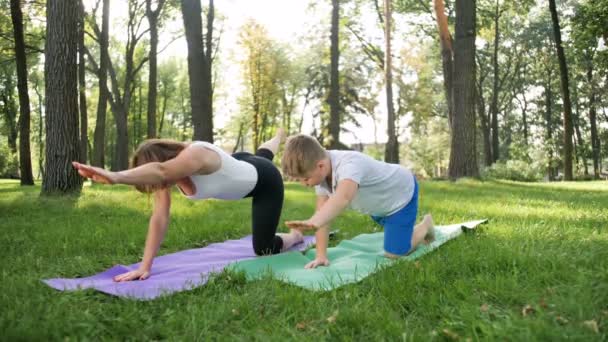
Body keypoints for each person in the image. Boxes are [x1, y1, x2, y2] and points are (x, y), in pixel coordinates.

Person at [72, 128, 303, 282]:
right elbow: (160, 218)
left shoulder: (196, 154)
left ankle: (295, 236)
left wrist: (115, 176)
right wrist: (145, 266)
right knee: (261, 155)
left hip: (264, 181)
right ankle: (278, 136)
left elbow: (161, 171)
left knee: (263, 249)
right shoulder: (167, 175)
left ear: (166, 160)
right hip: (241, 164)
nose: (158, 187)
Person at [282, 134, 434, 269]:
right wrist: (321, 256)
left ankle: (425, 225)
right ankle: (400, 229)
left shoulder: (349, 164)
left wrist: (314, 221)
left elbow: (343, 198)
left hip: (401, 196)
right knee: (394, 230)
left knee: (394, 254)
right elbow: (323, 216)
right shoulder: (320, 175)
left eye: (305, 179)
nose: (304, 184)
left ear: (320, 166)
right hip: (378, 206)